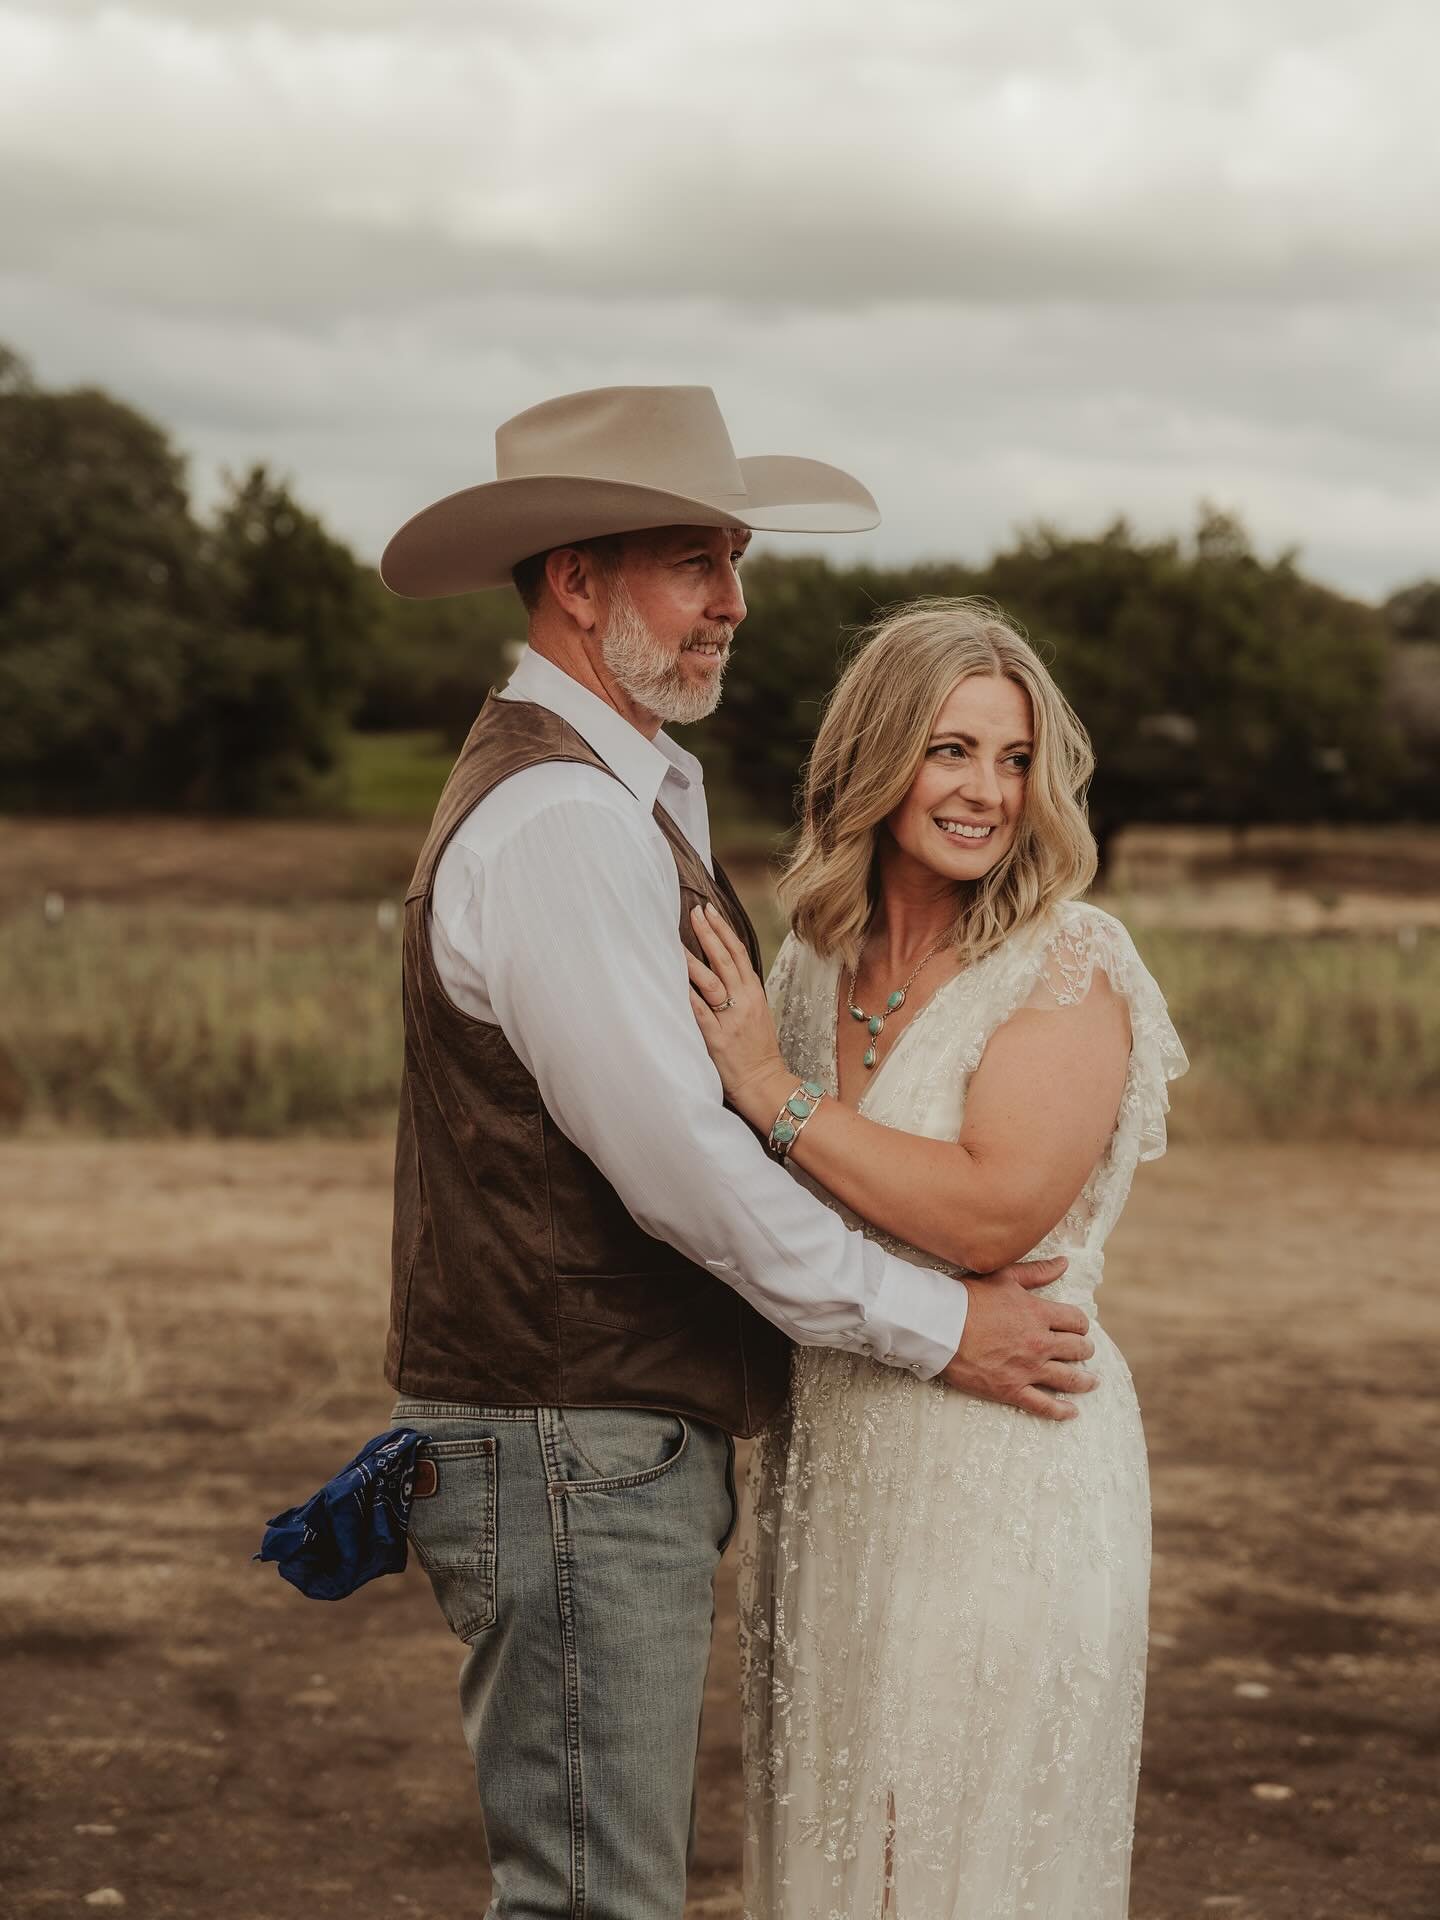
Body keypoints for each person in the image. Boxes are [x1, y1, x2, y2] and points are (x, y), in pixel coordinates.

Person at [376, 388, 1099, 1920]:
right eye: (694, 562)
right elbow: (682, 1174)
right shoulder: (562, 828)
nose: (736, 603)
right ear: (576, 580)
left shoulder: (629, 799)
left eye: (736, 558)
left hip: (603, 1445)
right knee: (591, 1901)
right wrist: (940, 1324)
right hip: (567, 1441)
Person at [686, 599, 1188, 1919]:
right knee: (843, 1828)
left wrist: (769, 1092)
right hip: (836, 1452)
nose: (985, 792)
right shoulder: (806, 963)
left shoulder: (1065, 962)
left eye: (1014, 760)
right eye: (951, 750)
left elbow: (990, 1215)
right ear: (876, 756)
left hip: (1006, 1454)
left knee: (959, 1848)